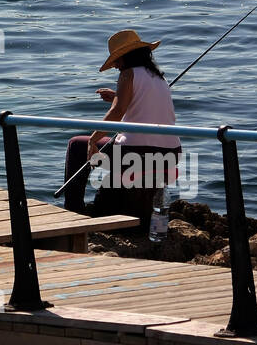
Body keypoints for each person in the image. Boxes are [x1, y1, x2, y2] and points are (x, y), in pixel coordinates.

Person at [61, 30, 181, 216]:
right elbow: (146, 105)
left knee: (77, 145)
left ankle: (73, 210)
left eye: (117, 60)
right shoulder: (159, 77)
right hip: (171, 153)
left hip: (136, 153)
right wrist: (118, 96)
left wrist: (93, 140)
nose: (116, 65)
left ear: (126, 57)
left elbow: (117, 112)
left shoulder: (128, 74)